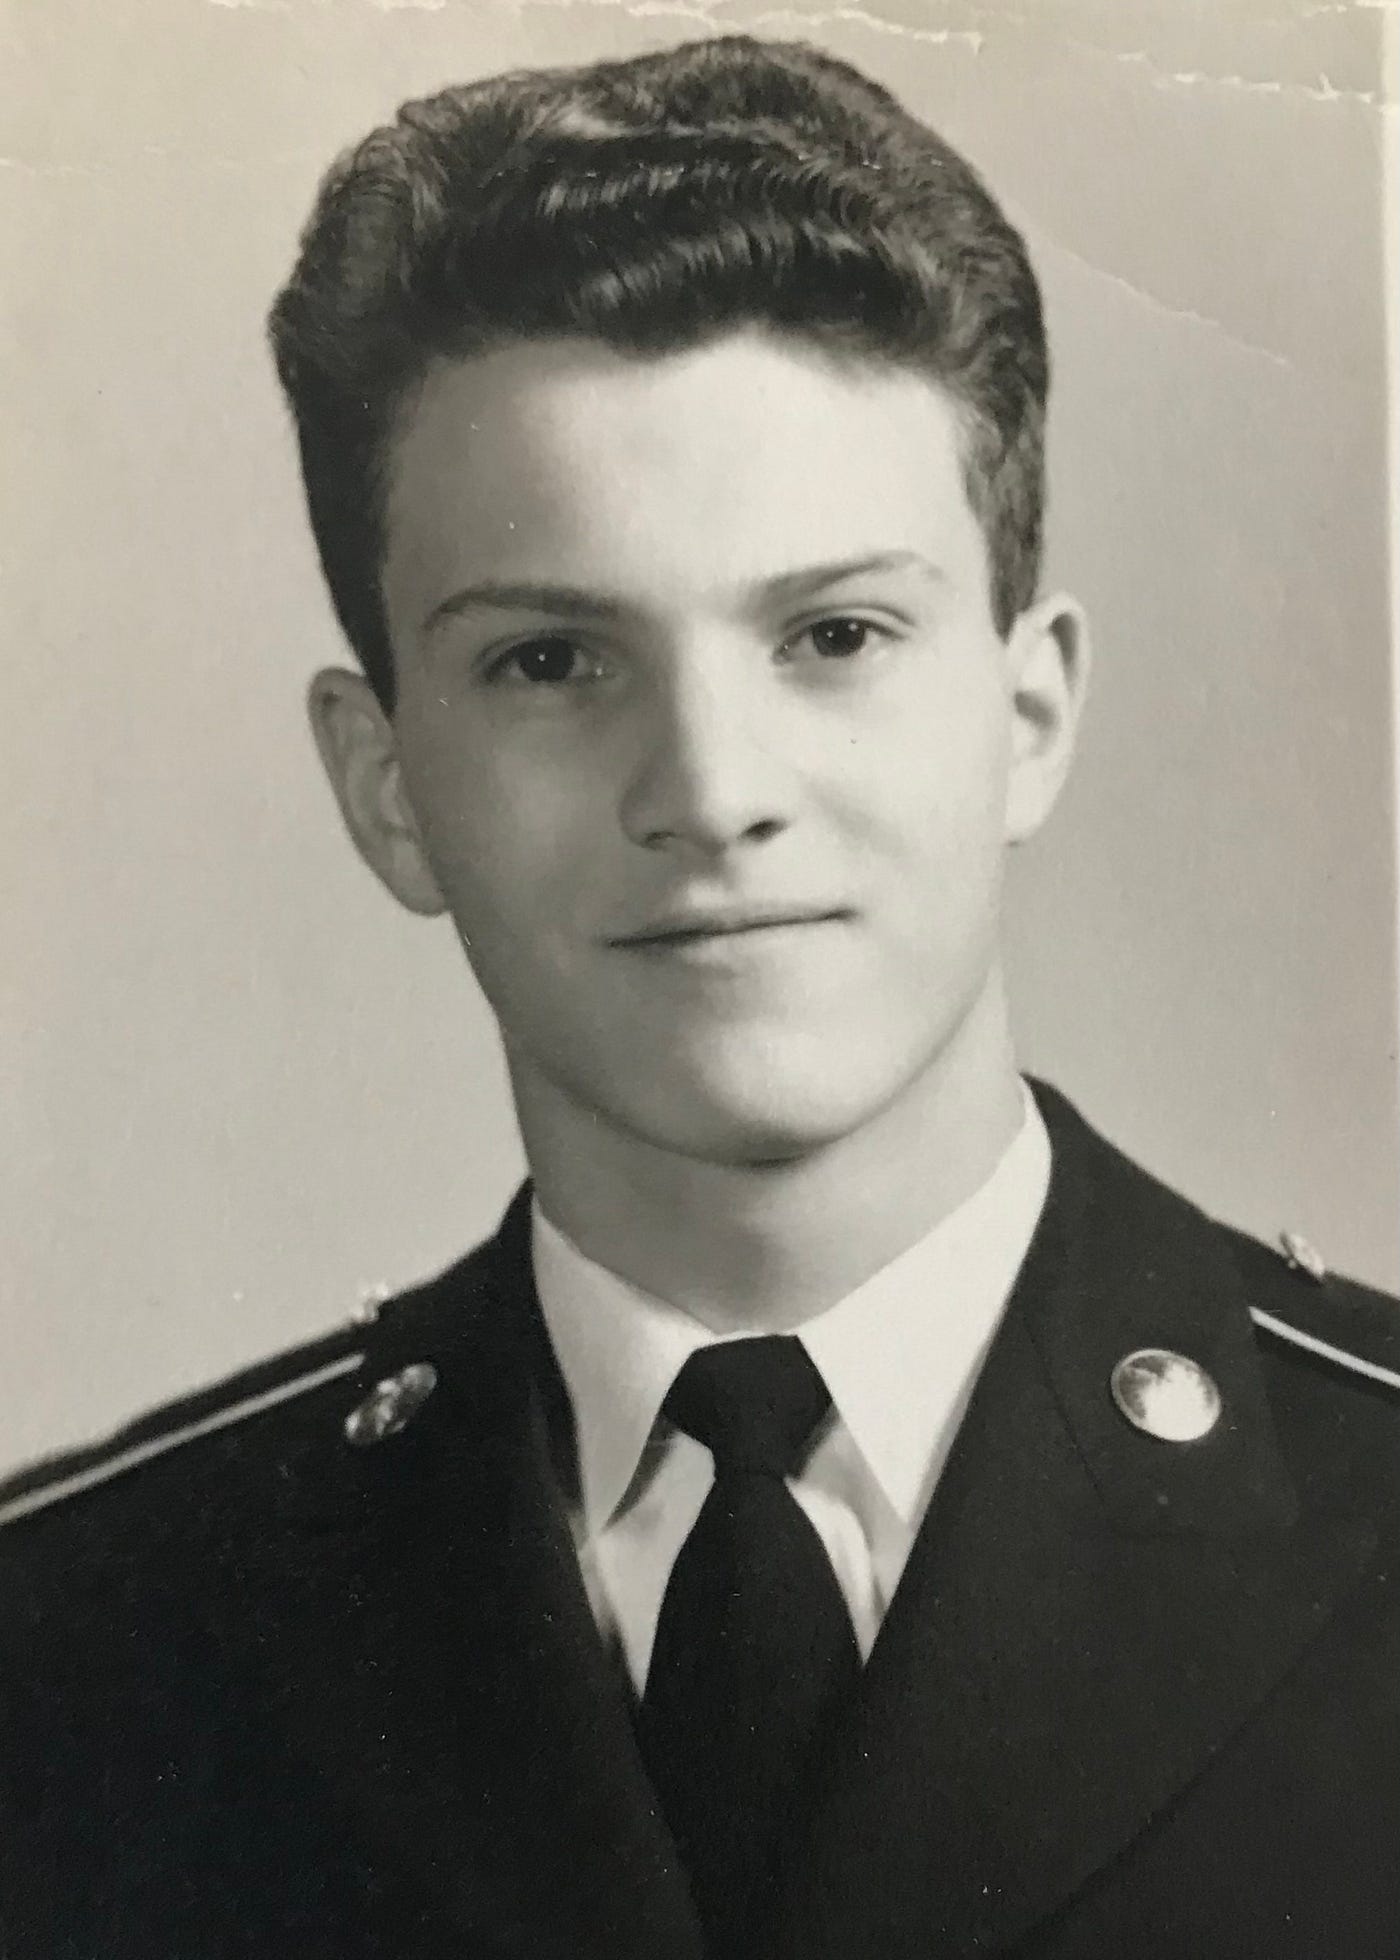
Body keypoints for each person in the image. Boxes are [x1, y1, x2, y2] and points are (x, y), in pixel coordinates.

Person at [2, 33, 1396, 1960]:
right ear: (385, 785)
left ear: (1028, 714)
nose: (711, 791)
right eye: (554, 662)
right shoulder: (70, 1649)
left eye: (833, 635)